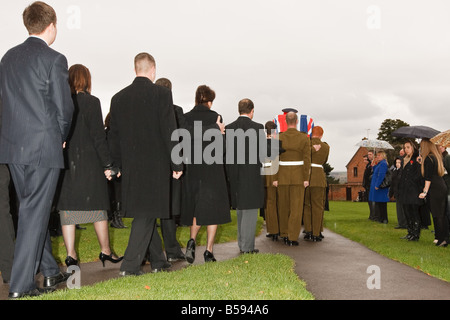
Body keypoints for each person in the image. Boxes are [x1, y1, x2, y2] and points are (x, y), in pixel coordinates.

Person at [0, 2, 73, 298]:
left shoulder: (8, 58)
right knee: (33, 211)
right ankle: (21, 285)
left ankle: (52, 272)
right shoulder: (54, 59)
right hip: (43, 146)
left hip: (13, 147)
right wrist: (61, 135)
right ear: (51, 25)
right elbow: (64, 107)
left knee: (32, 209)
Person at [108, 53, 183, 276]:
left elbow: (114, 136)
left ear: (135, 69)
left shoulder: (118, 98)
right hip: (155, 165)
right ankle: (130, 266)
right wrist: (176, 163)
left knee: (146, 210)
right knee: (146, 213)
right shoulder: (162, 94)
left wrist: (116, 164)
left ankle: (158, 261)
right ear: (153, 70)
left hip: (131, 166)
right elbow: (170, 132)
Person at [55, 64, 123, 268]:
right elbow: (98, 137)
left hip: (67, 162)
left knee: (67, 210)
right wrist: (108, 163)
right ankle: (106, 250)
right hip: (90, 163)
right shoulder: (92, 103)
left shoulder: (62, 102)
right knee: (98, 207)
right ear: (87, 81)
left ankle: (71, 255)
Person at [181, 85, 231, 263]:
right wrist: (221, 132)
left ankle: (192, 240)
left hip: (193, 168)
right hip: (212, 168)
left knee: (196, 206)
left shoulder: (185, 117)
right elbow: (223, 148)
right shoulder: (216, 118)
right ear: (210, 101)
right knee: (213, 208)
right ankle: (209, 250)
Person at [225, 98, 265, 254]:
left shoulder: (229, 128)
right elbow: (262, 153)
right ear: (252, 111)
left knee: (241, 209)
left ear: (239, 110)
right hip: (250, 173)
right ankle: (247, 247)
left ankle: (242, 243)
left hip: (234, 173)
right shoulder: (257, 128)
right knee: (250, 209)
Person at [154, 77, 186, 262]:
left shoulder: (147, 111)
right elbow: (180, 137)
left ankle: (154, 250)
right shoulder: (176, 111)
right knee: (169, 210)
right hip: (170, 164)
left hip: (152, 163)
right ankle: (172, 250)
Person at [272, 112, 311, 246]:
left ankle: (284, 233)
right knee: (296, 207)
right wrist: (306, 178)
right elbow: (307, 159)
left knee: (283, 206)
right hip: (298, 176)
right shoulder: (304, 138)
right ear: (297, 121)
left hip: (282, 175)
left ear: (286, 121)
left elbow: (275, 159)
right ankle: (292, 237)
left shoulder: (279, 137)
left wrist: (275, 178)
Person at [418, 139, 448, 247]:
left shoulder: (429, 158)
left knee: (438, 214)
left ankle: (442, 239)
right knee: (440, 214)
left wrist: (424, 192)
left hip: (435, 188)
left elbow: (428, 178)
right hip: (440, 186)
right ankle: (442, 238)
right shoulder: (436, 157)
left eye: (421, 146)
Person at [303, 126, 330, 242]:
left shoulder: (306, 145)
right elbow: (324, 161)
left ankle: (308, 230)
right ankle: (316, 232)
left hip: (306, 176)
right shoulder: (325, 147)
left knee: (306, 205)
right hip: (318, 177)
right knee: (318, 206)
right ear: (321, 135)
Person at [397, 140, 424, 241]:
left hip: (413, 190)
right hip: (405, 190)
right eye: (405, 148)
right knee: (407, 212)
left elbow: (419, 175)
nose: (406, 149)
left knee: (414, 213)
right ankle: (410, 232)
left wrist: (420, 163)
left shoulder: (417, 159)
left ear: (413, 147)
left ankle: (415, 234)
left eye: (408, 147)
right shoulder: (404, 159)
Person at [262, 121, 282, 241]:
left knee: (269, 204)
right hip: (277, 174)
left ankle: (272, 230)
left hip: (267, 174)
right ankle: (278, 229)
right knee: (278, 203)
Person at [369, 151, 390, 224]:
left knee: (382, 203)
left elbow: (381, 175)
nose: (377, 157)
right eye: (377, 155)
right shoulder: (380, 163)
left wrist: (377, 185)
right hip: (377, 186)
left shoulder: (383, 164)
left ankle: (384, 219)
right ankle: (381, 218)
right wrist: (373, 165)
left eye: (378, 155)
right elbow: (376, 172)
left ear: (382, 156)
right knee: (379, 203)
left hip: (380, 187)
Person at [390, 157, 407, 229]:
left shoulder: (403, 171)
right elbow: (393, 183)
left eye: (399, 163)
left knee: (403, 209)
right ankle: (400, 223)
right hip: (397, 192)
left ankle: (404, 224)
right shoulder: (395, 171)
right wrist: (391, 193)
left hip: (402, 192)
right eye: (396, 162)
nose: (397, 164)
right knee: (399, 209)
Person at [438, 145, 450, 229]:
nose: (439, 148)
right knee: (442, 209)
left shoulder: (447, 157)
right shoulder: (440, 158)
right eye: (438, 146)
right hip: (442, 187)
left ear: (445, 147)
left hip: (448, 186)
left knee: (447, 210)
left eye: (441, 146)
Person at [363, 151, 376, 220]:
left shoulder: (374, 164)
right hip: (368, 186)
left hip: (371, 185)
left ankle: (373, 216)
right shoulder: (369, 165)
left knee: (372, 202)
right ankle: (371, 215)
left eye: (370, 154)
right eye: (368, 155)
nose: (369, 156)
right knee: (370, 201)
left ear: (374, 155)